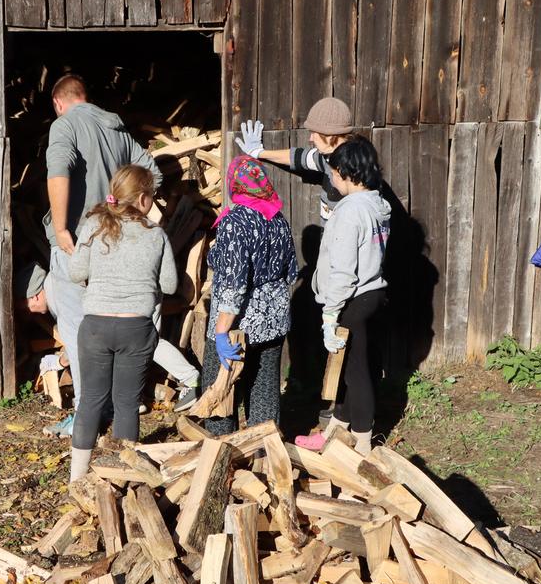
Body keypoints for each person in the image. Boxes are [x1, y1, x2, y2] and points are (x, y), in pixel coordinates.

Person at [41, 74, 162, 436]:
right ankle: (115, 404)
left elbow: (58, 171)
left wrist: (62, 227)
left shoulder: (64, 126)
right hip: (116, 242)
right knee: (115, 320)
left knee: (79, 329)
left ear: (58, 102)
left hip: (77, 242)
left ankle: (85, 414)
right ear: (85, 96)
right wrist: (130, 218)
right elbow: (151, 174)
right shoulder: (116, 129)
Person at [66, 165, 179, 481]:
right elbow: (169, 285)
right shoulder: (154, 234)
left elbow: (76, 273)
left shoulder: (93, 226)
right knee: (127, 404)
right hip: (135, 328)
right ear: (143, 199)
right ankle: (126, 478)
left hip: (96, 327)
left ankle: (77, 479)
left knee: (90, 401)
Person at [294, 138, 391, 455]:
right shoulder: (375, 204)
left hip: (353, 300)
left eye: (333, 173)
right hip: (373, 294)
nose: (332, 180)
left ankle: (362, 445)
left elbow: (344, 270)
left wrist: (329, 314)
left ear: (347, 173)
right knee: (352, 368)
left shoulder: (350, 213)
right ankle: (335, 431)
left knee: (356, 373)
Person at [198, 155, 297, 436]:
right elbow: (291, 271)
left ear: (234, 184)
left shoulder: (234, 222)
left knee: (221, 393)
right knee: (264, 392)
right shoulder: (277, 218)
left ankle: (222, 455)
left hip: (237, 325)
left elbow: (234, 282)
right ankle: (265, 458)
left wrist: (220, 331)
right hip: (273, 322)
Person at [16, 261, 201, 412]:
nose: (30, 313)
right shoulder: (58, 284)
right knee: (139, 341)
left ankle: (191, 380)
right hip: (139, 284)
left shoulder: (61, 298)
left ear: (35, 296)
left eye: (26, 307)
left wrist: (61, 362)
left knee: (144, 341)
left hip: (136, 291)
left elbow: (85, 341)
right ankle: (132, 401)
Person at [235, 97, 355, 221]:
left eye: (314, 133)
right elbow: (297, 157)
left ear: (330, 135)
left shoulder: (356, 172)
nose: (311, 139)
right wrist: (259, 152)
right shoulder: (327, 158)